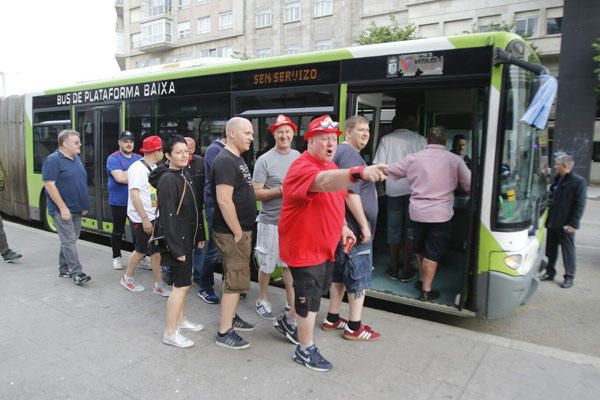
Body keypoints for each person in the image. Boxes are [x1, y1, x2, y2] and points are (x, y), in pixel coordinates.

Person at [278, 115, 387, 372]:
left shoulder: (329, 167)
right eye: (324, 139)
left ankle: (288, 321)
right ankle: (305, 350)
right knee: (310, 300)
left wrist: (343, 228)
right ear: (310, 142)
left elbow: (334, 201)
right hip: (304, 249)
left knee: (318, 291)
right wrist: (359, 172)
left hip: (325, 246)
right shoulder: (302, 166)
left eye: (334, 139)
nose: (330, 144)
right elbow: (322, 184)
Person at [386, 126, 471, 302]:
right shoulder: (455, 160)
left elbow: (391, 171)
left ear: (427, 140)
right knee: (433, 251)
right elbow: (469, 185)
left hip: (417, 213)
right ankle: (426, 290)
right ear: (445, 142)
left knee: (420, 248)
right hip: (441, 215)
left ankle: (422, 280)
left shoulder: (414, 159)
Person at [322, 115, 381, 341]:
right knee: (359, 277)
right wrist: (365, 227)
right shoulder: (349, 154)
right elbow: (349, 192)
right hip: (354, 232)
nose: (365, 134)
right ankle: (355, 327)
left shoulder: (342, 153)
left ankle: (333, 318)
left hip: (343, 229)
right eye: (361, 130)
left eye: (368, 130)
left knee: (339, 275)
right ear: (348, 132)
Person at [149, 135, 205, 348]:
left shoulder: (184, 173)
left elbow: (194, 208)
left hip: (187, 238)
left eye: (186, 151)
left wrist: (200, 235)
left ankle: (180, 321)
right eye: (179, 152)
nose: (184, 155)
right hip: (178, 242)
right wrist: (176, 248)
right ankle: (170, 332)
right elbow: (168, 216)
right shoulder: (168, 180)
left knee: (183, 284)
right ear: (167, 155)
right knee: (180, 286)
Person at [252, 115, 300, 338]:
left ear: (293, 133)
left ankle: (291, 305)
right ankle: (262, 298)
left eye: (287, 131)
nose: (284, 135)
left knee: (290, 266)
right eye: (280, 132)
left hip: (293, 222)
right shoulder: (264, 160)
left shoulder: (298, 157)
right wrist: (282, 190)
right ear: (274, 134)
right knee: (268, 266)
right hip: (270, 222)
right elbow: (256, 193)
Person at [213, 117, 256, 350]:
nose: (252, 137)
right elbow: (223, 200)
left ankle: (232, 317)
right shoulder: (225, 161)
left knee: (237, 276)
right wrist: (238, 232)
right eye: (247, 133)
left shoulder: (236, 158)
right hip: (232, 233)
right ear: (231, 133)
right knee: (234, 278)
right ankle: (224, 331)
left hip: (240, 231)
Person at [373, 115, 426, 282]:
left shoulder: (386, 139)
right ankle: (407, 268)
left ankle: (394, 267)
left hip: (393, 191)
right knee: (410, 231)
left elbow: (378, 166)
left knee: (393, 229)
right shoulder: (421, 140)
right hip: (414, 192)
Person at [120, 135, 171, 297]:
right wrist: (144, 219)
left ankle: (158, 284)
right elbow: (134, 194)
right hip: (142, 219)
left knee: (156, 252)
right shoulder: (137, 168)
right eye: (162, 150)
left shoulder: (154, 167)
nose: (163, 153)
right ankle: (127, 278)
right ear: (156, 152)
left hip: (153, 216)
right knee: (141, 250)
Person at [42, 129, 91, 285]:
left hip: (76, 208)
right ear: (64, 143)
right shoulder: (53, 160)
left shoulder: (76, 158)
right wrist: (62, 208)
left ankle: (64, 269)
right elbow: (49, 185)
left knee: (70, 239)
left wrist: (84, 205)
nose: (80, 144)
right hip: (61, 210)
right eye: (76, 142)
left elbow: (80, 182)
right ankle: (77, 273)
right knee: (69, 240)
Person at [540, 153, 587, 289]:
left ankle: (569, 277)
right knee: (551, 248)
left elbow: (579, 205)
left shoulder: (578, 182)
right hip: (553, 220)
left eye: (557, 164)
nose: (555, 166)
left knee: (568, 250)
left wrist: (573, 224)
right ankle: (550, 272)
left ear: (565, 166)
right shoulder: (558, 178)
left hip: (566, 223)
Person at [196, 130, 226, 304]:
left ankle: (227, 285)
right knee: (214, 248)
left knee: (225, 248)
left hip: (225, 205)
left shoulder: (228, 151)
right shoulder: (215, 150)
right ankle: (205, 286)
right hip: (215, 205)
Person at [106, 131, 141, 270]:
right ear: (119, 142)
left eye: (131, 141)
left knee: (138, 232)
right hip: (118, 201)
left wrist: (126, 173)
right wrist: (134, 175)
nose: (129, 144)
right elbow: (119, 178)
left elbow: (145, 177)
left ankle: (141, 256)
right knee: (118, 231)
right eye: (125, 141)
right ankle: (116, 257)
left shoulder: (139, 157)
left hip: (135, 201)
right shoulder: (113, 158)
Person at [184, 137, 206, 291]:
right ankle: (176, 274)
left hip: (198, 210)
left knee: (200, 244)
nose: (189, 152)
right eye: (186, 149)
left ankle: (198, 275)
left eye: (192, 149)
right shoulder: (175, 164)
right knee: (183, 245)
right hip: (182, 212)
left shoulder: (201, 162)